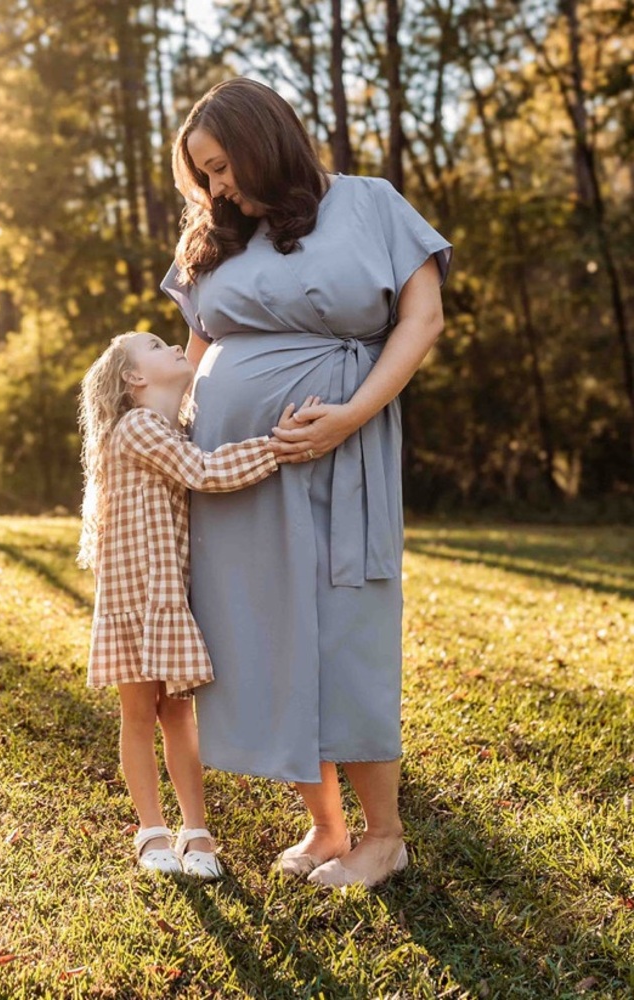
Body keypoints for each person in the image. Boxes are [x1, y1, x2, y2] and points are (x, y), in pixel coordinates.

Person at [160, 78, 453, 888]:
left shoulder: (369, 204)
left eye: (222, 167)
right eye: (204, 175)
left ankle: (384, 835)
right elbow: (194, 353)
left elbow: (423, 318)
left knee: (344, 630)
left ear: (262, 140)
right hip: (230, 476)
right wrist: (158, 449)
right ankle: (326, 828)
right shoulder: (214, 238)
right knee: (263, 635)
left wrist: (350, 415)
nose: (218, 187)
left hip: (339, 456)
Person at [77, 330, 313, 878]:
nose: (173, 347)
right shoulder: (138, 427)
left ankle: (196, 831)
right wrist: (276, 446)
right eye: (156, 345)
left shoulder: (171, 429)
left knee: (178, 714)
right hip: (137, 596)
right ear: (134, 378)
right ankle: (152, 832)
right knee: (140, 715)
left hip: (166, 595)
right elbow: (205, 472)